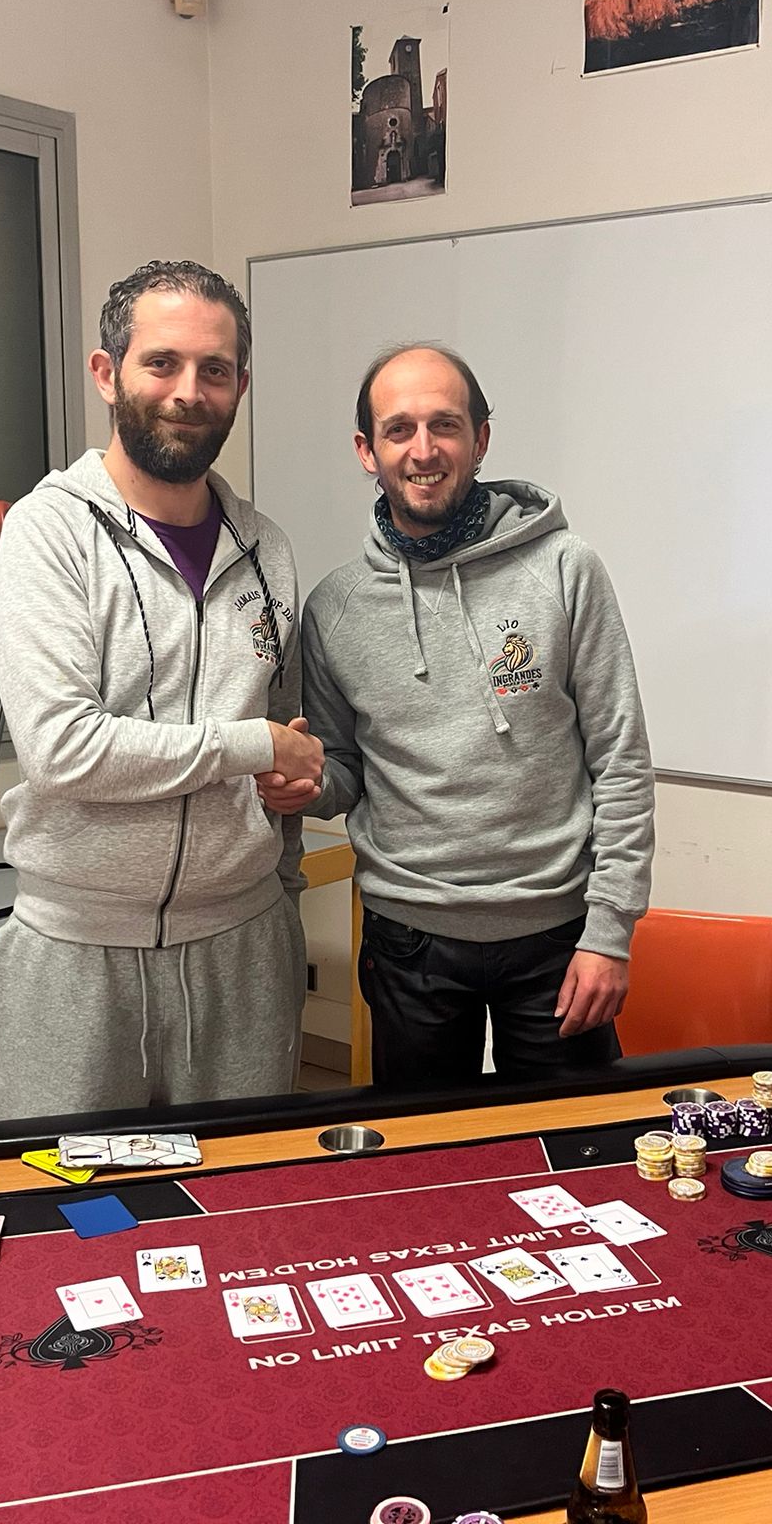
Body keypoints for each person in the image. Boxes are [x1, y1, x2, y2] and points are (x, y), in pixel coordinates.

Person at [0, 260, 321, 1120]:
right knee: (71, 1196)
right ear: (108, 373)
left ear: (240, 386)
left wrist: (286, 788)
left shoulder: (268, 549)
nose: (188, 392)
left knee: (239, 1190)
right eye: (161, 363)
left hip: (245, 945)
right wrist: (252, 746)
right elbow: (62, 749)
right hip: (76, 954)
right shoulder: (48, 536)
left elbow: (284, 734)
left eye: (215, 370)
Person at [266, 344, 655, 1085]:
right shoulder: (336, 608)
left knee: (566, 1145)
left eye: (444, 424)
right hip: (408, 939)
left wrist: (610, 933)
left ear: (480, 439)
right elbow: (345, 772)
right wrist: (306, 786)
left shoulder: (565, 569)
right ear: (367, 450)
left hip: (556, 936)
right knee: (428, 1149)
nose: (423, 450)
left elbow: (621, 760)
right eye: (399, 429)